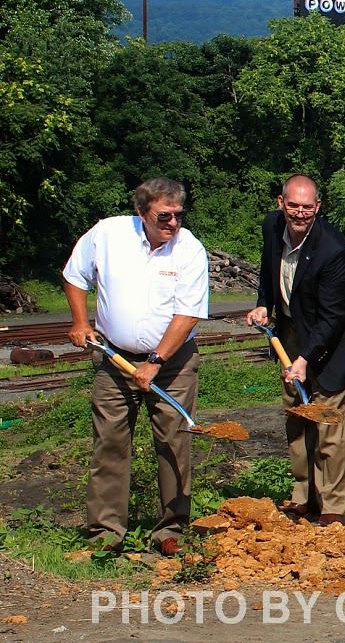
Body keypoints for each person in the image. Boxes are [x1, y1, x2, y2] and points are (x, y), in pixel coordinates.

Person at [63, 177, 209, 556]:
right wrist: (80, 322)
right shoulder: (107, 235)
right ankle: (106, 532)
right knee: (109, 444)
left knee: (174, 443)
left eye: (178, 215)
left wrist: (155, 362)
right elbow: (75, 276)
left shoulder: (189, 249)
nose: (173, 223)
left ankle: (170, 530)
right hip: (114, 360)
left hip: (173, 364)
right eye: (164, 216)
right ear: (142, 212)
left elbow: (188, 314)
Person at [245, 175, 345, 527]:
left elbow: (333, 319)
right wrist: (263, 303)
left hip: (334, 340)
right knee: (297, 416)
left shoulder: (333, 250)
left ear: (318, 207)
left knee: (327, 421)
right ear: (281, 203)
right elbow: (269, 271)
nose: (300, 213)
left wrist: (302, 360)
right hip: (292, 333)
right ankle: (304, 496)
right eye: (293, 205)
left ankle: (332, 507)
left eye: (307, 207)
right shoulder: (272, 226)